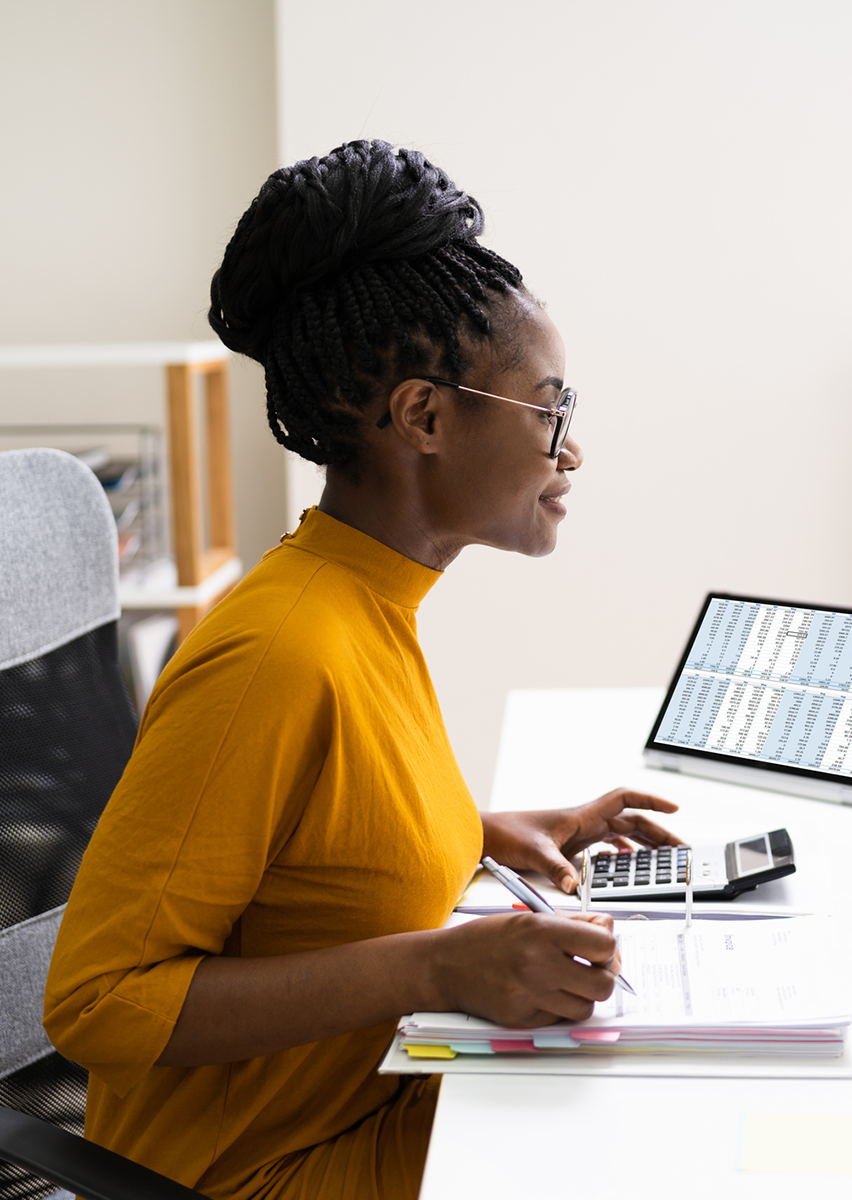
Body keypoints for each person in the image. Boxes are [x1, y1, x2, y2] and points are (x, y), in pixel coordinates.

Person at [43, 140, 681, 1200]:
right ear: (425, 418)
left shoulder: (368, 600)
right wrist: (433, 967)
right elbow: (98, 1004)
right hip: (259, 1173)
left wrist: (479, 830)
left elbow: (313, 845)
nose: (572, 453)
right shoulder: (279, 652)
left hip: (374, 1105)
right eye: (550, 411)